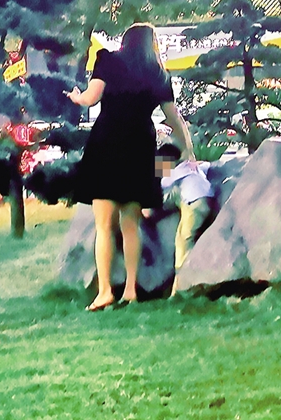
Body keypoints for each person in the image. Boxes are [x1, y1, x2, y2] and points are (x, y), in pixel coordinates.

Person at [67, 23, 195, 312]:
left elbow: (91, 98)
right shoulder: (158, 74)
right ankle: (131, 290)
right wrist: (188, 150)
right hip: (140, 146)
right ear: (151, 44)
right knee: (130, 225)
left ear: (126, 41)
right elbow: (174, 118)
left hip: (107, 143)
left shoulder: (108, 60)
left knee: (104, 226)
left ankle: (104, 292)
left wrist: (76, 97)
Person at [154, 143, 213, 298]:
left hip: (193, 204)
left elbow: (162, 186)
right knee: (183, 236)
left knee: (183, 242)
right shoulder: (190, 167)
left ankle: (181, 287)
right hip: (207, 200)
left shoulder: (171, 175)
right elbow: (206, 165)